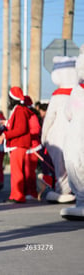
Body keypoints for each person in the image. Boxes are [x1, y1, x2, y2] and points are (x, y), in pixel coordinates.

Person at [41, 56, 77, 203]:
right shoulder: (79, 92)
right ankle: (75, 188)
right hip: (76, 134)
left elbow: (49, 118)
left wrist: (43, 136)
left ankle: (62, 188)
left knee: (60, 165)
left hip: (58, 136)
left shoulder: (57, 97)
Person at [61, 44, 84, 220]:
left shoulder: (76, 91)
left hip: (77, 133)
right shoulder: (76, 90)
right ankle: (81, 202)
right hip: (76, 135)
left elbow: (67, 113)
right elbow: (68, 112)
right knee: (74, 163)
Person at [0, 87, 31, 203]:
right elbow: (17, 125)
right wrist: (6, 123)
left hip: (18, 144)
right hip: (17, 144)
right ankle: (14, 194)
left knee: (17, 172)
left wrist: (4, 135)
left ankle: (18, 196)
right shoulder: (18, 109)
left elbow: (21, 129)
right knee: (15, 171)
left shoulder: (19, 110)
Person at [24, 95, 42, 200]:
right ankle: (27, 191)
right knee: (26, 171)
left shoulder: (32, 116)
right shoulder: (24, 114)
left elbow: (36, 130)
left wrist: (24, 133)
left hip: (33, 147)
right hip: (26, 147)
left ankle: (32, 193)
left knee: (30, 172)